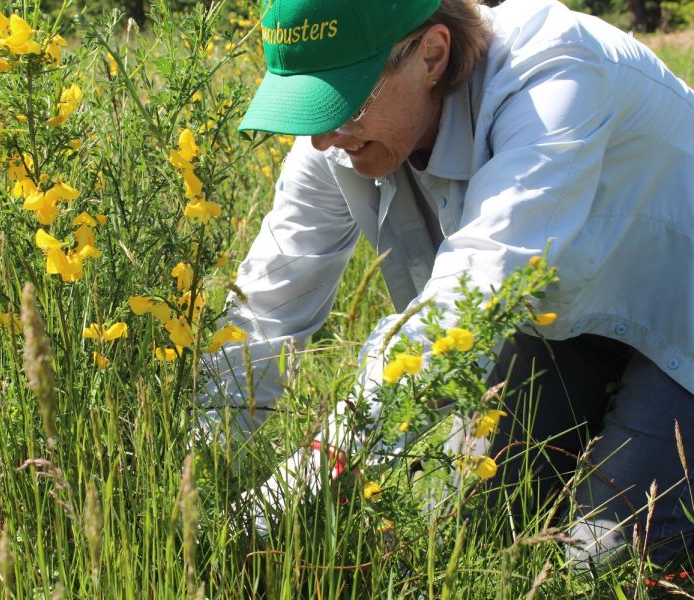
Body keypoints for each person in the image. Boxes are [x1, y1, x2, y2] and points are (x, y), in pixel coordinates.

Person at [199, 0, 694, 568]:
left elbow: (475, 290)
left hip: (681, 306)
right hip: (564, 312)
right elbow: (266, 307)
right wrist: (199, 470)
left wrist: (301, 479)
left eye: (343, 99)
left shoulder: (554, 76)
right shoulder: (339, 133)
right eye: (312, 106)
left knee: (603, 560)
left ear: (432, 53)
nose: (322, 137)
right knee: (483, 529)